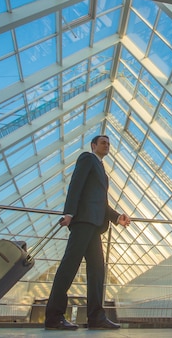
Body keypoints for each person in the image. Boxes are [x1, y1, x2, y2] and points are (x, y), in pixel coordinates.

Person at [44, 135, 130, 330]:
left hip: (94, 224)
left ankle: (96, 318)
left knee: (98, 270)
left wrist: (117, 217)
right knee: (69, 266)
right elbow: (76, 184)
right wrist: (69, 213)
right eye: (103, 142)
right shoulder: (87, 158)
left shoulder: (101, 170)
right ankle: (54, 317)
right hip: (83, 221)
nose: (107, 145)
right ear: (93, 146)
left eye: (108, 143)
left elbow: (101, 203)